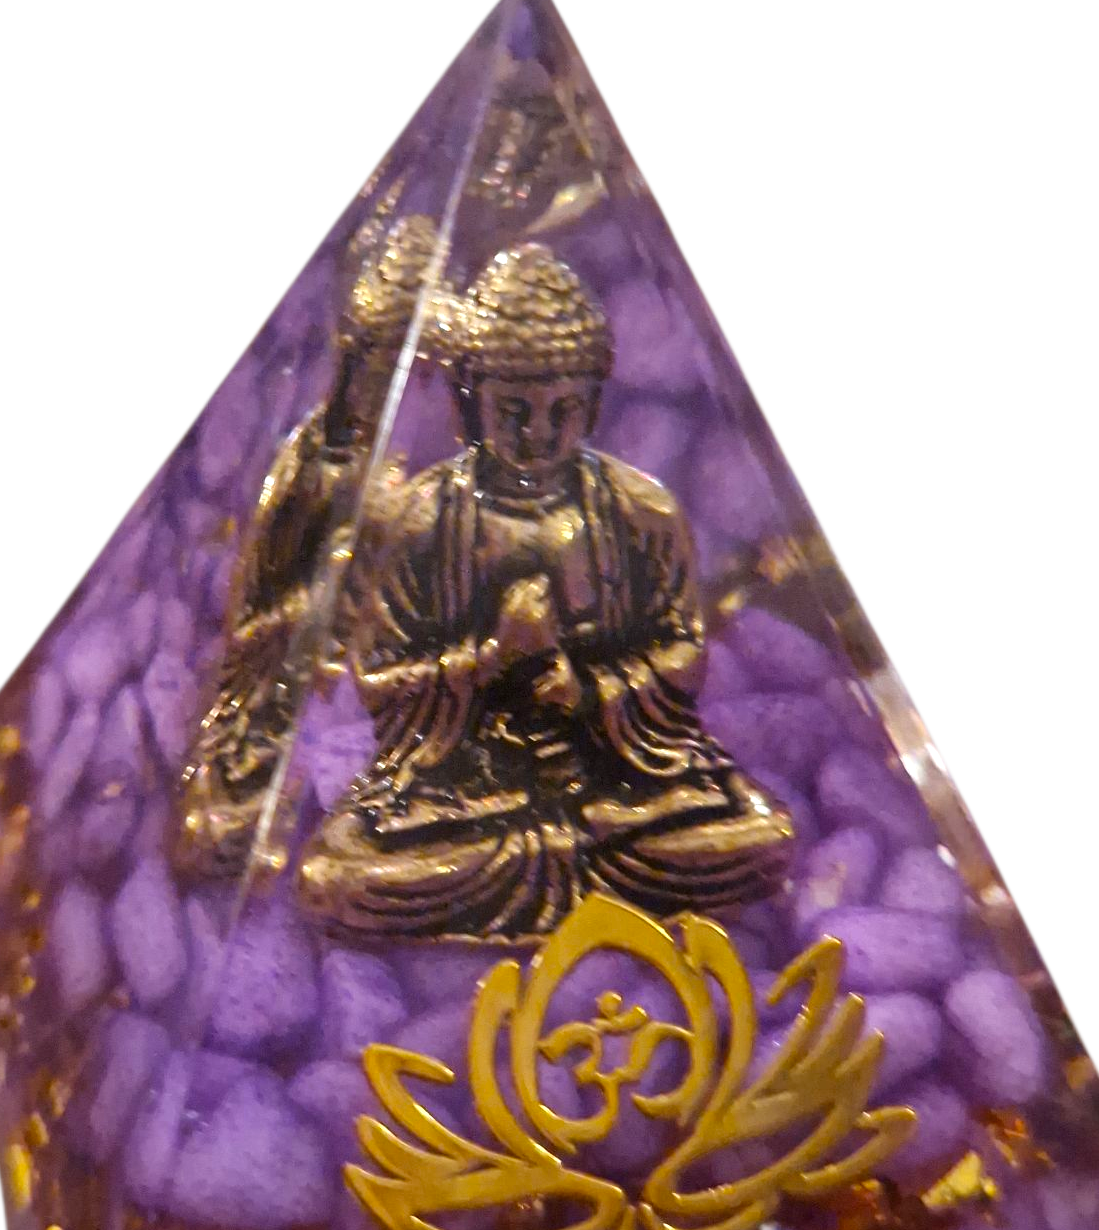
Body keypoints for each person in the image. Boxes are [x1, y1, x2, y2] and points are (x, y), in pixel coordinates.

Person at [298, 244, 792, 938]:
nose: (537, 434)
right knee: (335, 879)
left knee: (760, 840)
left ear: (593, 404)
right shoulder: (424, 518)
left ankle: (572, 874)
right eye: (513, 410)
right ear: (470, 405)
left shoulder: (641, 511)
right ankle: (581, 885)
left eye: (563, 409)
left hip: (617, 774)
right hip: (466, 786)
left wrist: (587, 690)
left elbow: (684, 651)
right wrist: (488, 662)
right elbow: (378, 677)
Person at [174, 213, 443, 880]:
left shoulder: (398, 461)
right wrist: (300, 621)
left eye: (401, 371)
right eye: (374, 367)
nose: (386, 388)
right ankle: (237, 811)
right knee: (258, 746)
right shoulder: (318, 460)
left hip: (348, 669)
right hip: (285, 656)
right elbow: (266, 588)